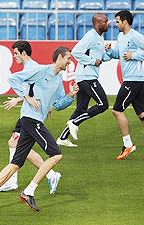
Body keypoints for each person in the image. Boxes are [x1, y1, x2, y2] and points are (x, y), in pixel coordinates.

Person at [0, 46, 78, 214]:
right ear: (59, 57)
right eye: (68, 58)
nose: (70, 62)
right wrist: (26, 97)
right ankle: (29, 191)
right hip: (31, 119)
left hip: (32, 120)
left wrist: (71, 95)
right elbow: (14, 79)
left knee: (16, 163)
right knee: (56, 154)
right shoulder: (41, 70)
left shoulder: (59, 80)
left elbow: (58, 105)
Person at [0, 41, 61, 194]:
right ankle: (50, 175)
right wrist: (20, 98)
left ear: (24, 53)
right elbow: (31, 90)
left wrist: (25, 97)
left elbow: (35, 92)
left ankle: (49, 175)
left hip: (30, 115)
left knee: (16, 144)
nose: (14, 56)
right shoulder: (31, 67)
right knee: (14, 143)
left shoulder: (33, 68)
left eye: (16, 53)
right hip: (28, 113)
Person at [105, 10, 144, 160]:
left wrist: (134, 55)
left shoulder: (136, 36)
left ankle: (128, 144)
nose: (115, 24)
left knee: (117, 111)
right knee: (142, 113)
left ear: (125, 21)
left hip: (133, 80)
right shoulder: (120, 36)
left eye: (117, 21)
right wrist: (110, 50)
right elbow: (118, 54)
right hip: (133, 79)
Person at [57, 13, 110, 147]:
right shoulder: (91, 36)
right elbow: (76, 52)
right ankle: (74, 123)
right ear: (98, 23)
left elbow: (101, 58)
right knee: (103, 104)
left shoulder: (99, 37)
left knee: (81, 109)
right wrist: (93, 61)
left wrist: (108, 52)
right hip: (87, 77)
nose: (108, 23)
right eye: (105, 21)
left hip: (85, 76)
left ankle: (63, 138)